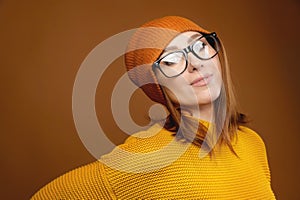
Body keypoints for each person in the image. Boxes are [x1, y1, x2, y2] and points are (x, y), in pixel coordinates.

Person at [31, 16, 276, 199]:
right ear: (156, 83)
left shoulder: (251, 142)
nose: (194, 64)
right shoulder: (147, 157)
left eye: (199, 46)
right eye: (171, 60)